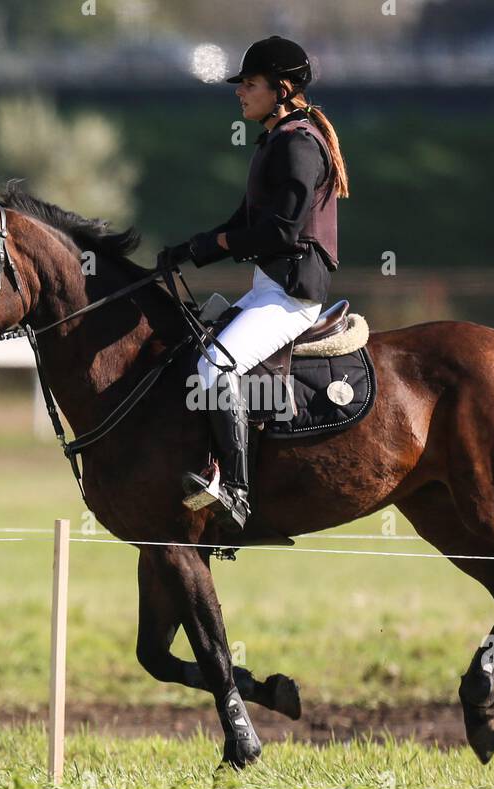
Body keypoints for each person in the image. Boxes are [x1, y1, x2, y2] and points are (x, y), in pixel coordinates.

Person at [160, 34, 350, 533]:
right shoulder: (277, 140)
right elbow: (242, 220)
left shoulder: (299, 144)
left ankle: (237, 492)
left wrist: (212, 245)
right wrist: (190, 250)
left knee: (215, 365)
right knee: (196, 348)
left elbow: (280, 230)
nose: (240, 92)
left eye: (249, 84)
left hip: (292, 294)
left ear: (282, 88)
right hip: (272, 286)